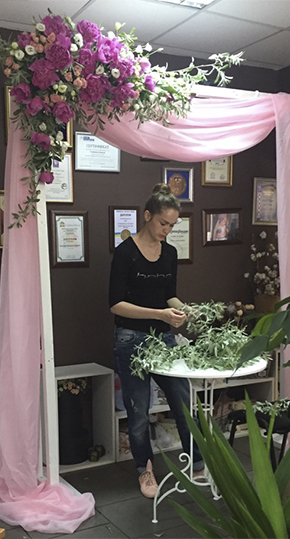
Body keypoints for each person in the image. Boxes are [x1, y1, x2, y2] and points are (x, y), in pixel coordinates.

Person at [108, 183, 204, 499]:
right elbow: (116, 304)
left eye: (172, 225)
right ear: (147, 216)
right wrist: (160, 314)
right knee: (138, 411)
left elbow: (169, 295)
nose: (167, 230)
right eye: (163, 223)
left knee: (183, 402)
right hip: (130, 340)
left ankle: (198, 464)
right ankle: (145, 470)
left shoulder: (170, 253)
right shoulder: (125, 253)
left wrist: (184, 309)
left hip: (163, 339)